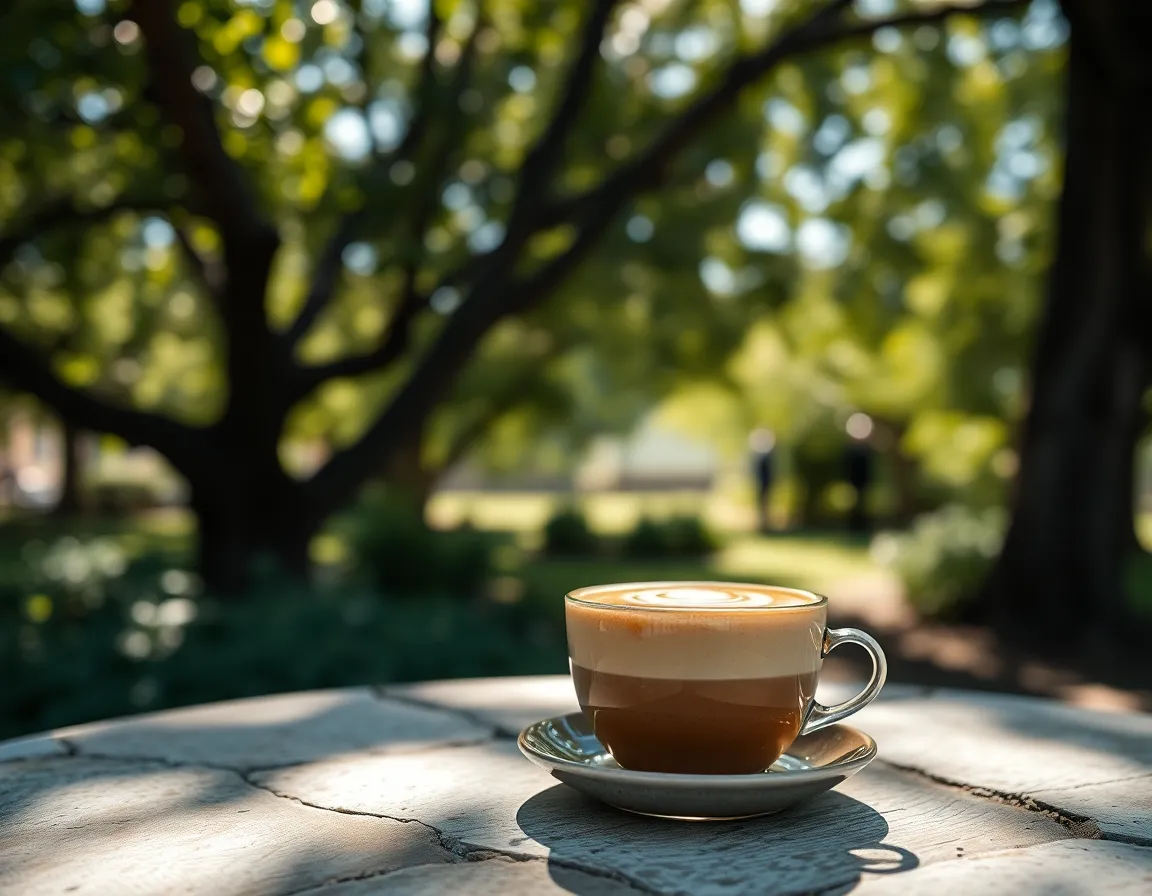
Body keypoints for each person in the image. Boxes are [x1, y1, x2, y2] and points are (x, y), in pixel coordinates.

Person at [843, 413, 874, 534]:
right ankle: (854, 526)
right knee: (854, 503)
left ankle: (862, 525)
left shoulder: (866, 450)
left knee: (863, 503)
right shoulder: (851, 450)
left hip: (863, 479)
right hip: (854, 480)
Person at [748, 428, 777, 533]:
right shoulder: (761, 457)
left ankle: (765, 525)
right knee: (762, 506)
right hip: (761, 484)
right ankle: (762, 526)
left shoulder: (764, 456)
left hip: (765, 484)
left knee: (765, 506)